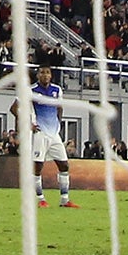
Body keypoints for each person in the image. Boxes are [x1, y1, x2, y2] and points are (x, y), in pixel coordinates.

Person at [27, 63, 76, 208]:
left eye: (47, 72)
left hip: (54, 134)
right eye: (42, 72)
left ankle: (64, 200)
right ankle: (40, 199)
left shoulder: (57, 90)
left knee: (64, 164)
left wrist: (58, 123)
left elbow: (60, 107)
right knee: (37, 166)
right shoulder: (31, 91)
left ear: (51, 75)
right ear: (37, 75)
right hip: (39, 133)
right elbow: (15, 108)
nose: (45, 75)